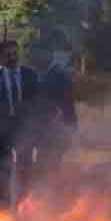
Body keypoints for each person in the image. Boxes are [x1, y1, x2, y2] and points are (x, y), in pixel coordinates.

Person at [0, 40, 38, 209]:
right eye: (8, 54)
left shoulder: (30, 75)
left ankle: (24, 205)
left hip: (24, 131)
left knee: (25, 170)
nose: (12, 57)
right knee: (3, 172)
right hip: (2, 132)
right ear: (1, 57)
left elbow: (38, 102)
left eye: (15, 53)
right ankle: (3, 210)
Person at [27, 50, 77, 184]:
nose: (35, 61)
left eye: (38, 56)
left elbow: (67, 105)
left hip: (55, 130)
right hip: (42, 131)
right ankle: (44, 195)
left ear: (48, 56)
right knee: (42, 165)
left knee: (50, 166)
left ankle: (50, 196)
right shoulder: (39, 74)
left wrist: (71, 129)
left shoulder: (60, 76)